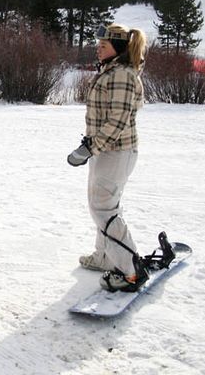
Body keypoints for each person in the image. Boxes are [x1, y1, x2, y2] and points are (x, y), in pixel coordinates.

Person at [67, 23, 149, 292]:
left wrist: (91, 147)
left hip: (116, 151)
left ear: (118, 48)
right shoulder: (112, 71)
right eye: (98, 44)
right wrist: (92, 147)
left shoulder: (123, 75)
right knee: (103, 205)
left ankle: (130, 270)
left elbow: (118, 120)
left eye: (104, 45)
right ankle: (105, 256)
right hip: (105, 152)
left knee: (104, 209)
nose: (98, 48)